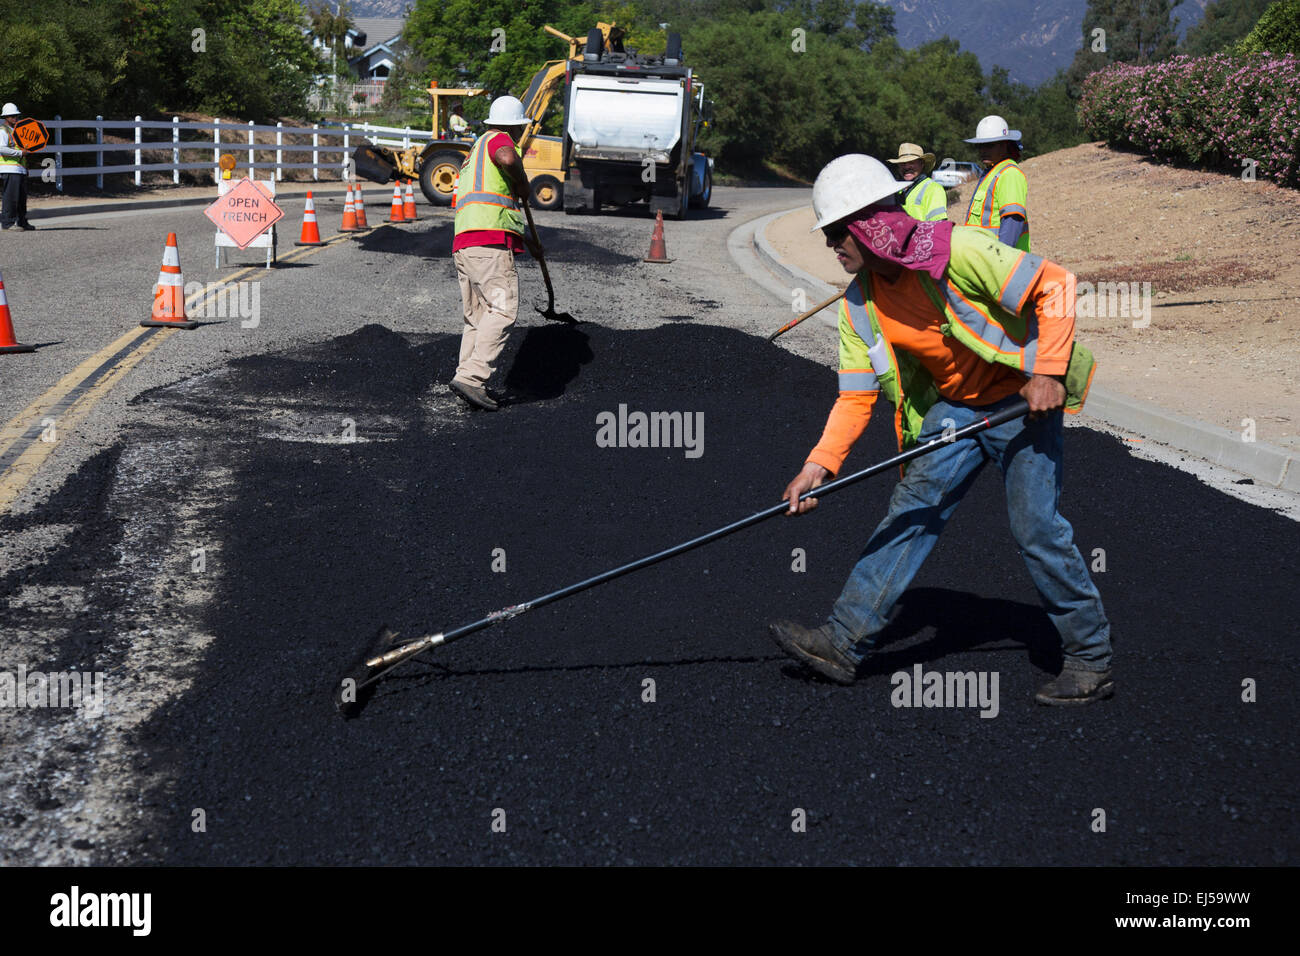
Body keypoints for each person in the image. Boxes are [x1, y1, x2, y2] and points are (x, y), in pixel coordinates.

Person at [769, 154, 1113, 706]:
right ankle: (843, 641)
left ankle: (1090, 658)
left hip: (1019, 404)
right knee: (911, 512)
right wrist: (819, 465)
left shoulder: (962, 252)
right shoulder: (860, 304)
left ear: (869, 225)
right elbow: (856, 396)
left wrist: (1047, 373)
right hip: (954, 410)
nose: (831, 246)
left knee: (1036, 530)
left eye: (837, 233)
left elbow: (1059, 286)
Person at [448, 95, 541, 411]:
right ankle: (473, 379)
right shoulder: (500, 140)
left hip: (466, 243)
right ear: (516, 126)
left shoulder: (474, 150)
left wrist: (530, 242)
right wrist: (523, 182)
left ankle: (465, 377)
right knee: (502, 309)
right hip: (488, 244)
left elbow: (496, 206)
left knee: (477, 317)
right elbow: (509, 160)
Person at [963, 115, 1027, 251]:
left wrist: (1000, 259)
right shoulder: (992, 172)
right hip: (983, 260)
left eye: (989, 145)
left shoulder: (1009, 174)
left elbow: (1012, 221)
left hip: (998, 263)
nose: (983, 150)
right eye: (980, 146)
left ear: (1004, 145)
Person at [886, 142, 947, 222]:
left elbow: (939, 225)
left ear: (921, 164)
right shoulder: (899, 191)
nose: (907, 167)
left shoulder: (933, 189)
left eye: (911, 162)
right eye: (903, 164)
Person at [0, 103, 34, 231]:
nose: (15, 118)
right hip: (9, 168)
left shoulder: (17, 132)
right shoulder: (2, 131)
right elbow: (1, 149)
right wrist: (20, 153)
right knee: (11, 198)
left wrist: (26, 168)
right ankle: (8, 223)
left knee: (21, 198)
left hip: (20, 169)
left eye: (16, 115)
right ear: (6, 117)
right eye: (12, 116)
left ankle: (22, 222)